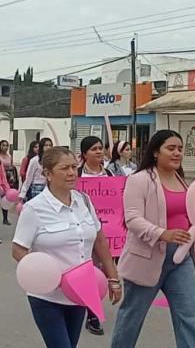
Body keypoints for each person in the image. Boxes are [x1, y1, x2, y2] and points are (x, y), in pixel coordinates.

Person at [12, 147, 121, 348]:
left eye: (74, 167)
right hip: (47, 297)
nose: (72, 173)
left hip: (80, 293)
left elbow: (100, 242)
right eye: (64, 168)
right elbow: (18, 249)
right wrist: (45, 275)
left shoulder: (84, 201)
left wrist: (113, 278)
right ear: (48, 173)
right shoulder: (34, 209)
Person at [111, 130, 195, 348]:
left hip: (180, 258)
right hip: (147, 258)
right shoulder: (140, 180)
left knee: (191, 317)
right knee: (131, 319)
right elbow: (133, 219)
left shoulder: (183, 181)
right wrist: (162, 233)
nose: (177, 153)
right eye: (171, 148)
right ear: (156, 152)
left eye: (180, 149)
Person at [77, 136, 113, 336]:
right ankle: (92, 316)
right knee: (88, 273)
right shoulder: (76, 175)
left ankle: (91, 310)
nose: (99, 152)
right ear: (84, 154)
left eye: (100, 148)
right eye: (94, 149)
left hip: (106, 233)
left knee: (101, 273)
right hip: (82, 232)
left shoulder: (110, 174)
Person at [19, 137, 54, 202]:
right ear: (41, 147)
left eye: (50, 145)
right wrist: (22, 194)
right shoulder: (35, 160)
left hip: (49, 188)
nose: (48, 147)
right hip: (37, 188)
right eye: (46, 145)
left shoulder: (53, 160)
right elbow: (28, 178)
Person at [0, 140, 18, 226]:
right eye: (3, 145)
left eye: (6, 145)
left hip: (8, 178)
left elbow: (12, 166)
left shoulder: (9, 156)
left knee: (5, 198)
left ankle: (5, 218)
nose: (5, 147)